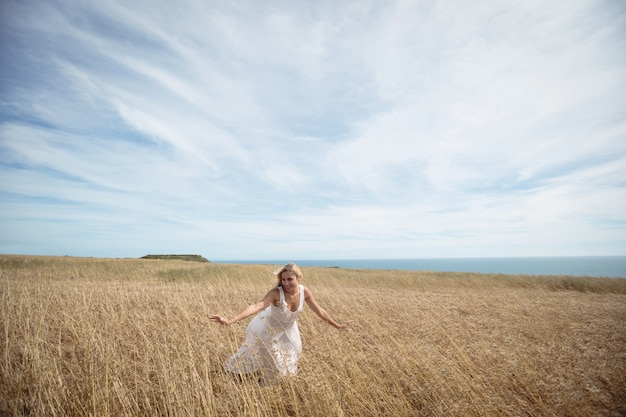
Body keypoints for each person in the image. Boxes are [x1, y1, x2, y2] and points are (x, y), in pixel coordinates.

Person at [210, 263, 353, 384]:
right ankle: (251, 381)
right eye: (283, 279)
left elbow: (320, 311)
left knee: (288, 362)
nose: (286, 283)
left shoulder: (305, 291)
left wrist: (337, 325)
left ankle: (271, 382)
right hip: (269, 330)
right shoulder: (276, 293)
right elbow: (256, 306)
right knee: (263, 358)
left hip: (290, 331)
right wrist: (229, 321)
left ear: (298, 277)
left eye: (290, 279)